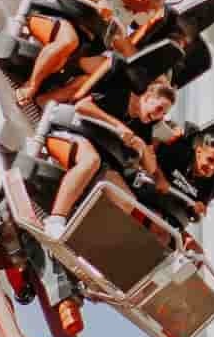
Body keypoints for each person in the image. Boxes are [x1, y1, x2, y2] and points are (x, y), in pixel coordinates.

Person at [14, 0, 178, 109]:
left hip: (83, 41)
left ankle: (46, 100)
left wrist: (153, 77)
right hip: (56, 11)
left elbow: (123, 44)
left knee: (102, 75)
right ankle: (31, 84)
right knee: (69, 41)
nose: (145, 14)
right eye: (149, 9)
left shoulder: (127, 15)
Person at [39, 74, 183, 236]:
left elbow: (150, 167)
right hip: (69, 134)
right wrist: (118, 126)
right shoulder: (121, 95)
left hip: (100, 159)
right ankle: (55, 220)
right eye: (159, 109)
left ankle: (77, 234)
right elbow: (82, 106)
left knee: (126, 202)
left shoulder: (144, 125)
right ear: (148, 97)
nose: (159, 116)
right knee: (91, 160)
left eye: (163, 114)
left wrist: (141, 145)